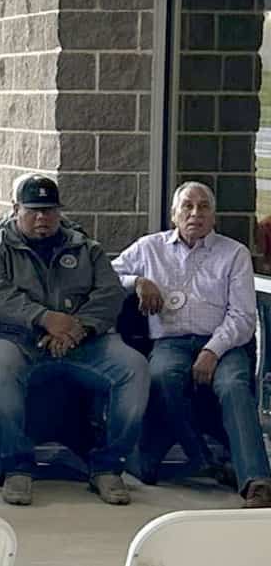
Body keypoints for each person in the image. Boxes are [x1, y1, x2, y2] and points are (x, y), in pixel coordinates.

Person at [0, 174, 148, 506]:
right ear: (15, 209)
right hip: (18, 341)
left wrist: (78, 327)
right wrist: (45, 319)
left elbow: (110, 294)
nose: (43, 218)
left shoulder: (84, 247)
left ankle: (108, 466)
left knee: (134, 367)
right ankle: (17, 468)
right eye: (34, 210)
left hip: (84, 342)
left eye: (50, 210)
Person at [112, 182, 271, 508]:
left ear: (214, 216)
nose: (195, 213)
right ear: (174, 214)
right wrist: (138, 281)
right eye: (187, 206)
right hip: (170, 343)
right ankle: (203, 458)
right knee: (162, 378)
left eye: (203, 207)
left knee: (234, 386)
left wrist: (212, 351)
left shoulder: (233, 253)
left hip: (224, 345)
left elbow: (242, 317)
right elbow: (105, 275)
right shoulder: (149, 248)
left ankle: (257, 481)